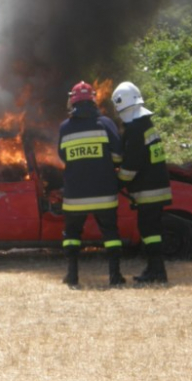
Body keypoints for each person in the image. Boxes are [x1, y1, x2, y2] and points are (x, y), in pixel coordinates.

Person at [58, 81, 125, 288]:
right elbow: (118, 156)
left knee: (72, 236)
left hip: (74, 197)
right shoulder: (105, 124)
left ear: (73, 101)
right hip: (104, 193)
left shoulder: (65, 128)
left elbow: (63, 156)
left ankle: (72, 275)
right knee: (111, 235)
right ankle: (115, 276)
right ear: (92, 100)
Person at [111, 82, 172, 284]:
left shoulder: (135, 129)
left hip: (149, 189)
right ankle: (155, 269)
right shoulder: (146, 123)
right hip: (157, 185)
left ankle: (157, 272)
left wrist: (119, 183)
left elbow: (132, 164)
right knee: (151, 229)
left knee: (149, 231)